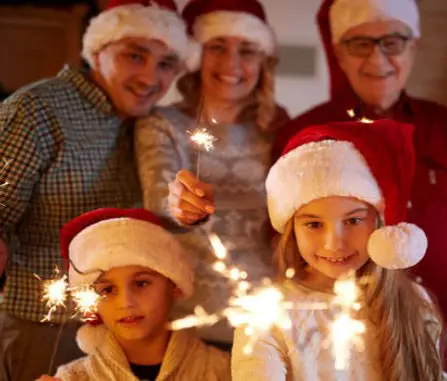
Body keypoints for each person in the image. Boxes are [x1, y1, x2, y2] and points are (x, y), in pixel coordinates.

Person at [0, 0, 190, 378]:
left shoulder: (149, 123)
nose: (151, 77)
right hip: (44, 328)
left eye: (166, 64)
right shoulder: (37, 110)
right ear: (98, 52)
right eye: (135, 56)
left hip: (122, 334)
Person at [273, 0, 447, 336]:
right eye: (360, 44)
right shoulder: (302, 134)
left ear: (413, 47)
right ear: (339, 54)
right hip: (341, 336)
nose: (377, 59)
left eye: (392, 42)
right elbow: (282, 239)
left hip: (442, 332)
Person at [231, 120, 447, 380]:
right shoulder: (266, 315)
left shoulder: (415, 303)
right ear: (292, 229)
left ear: (380, 223)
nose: (334, 243)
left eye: (353, 221)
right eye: (314, 224)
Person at [135, 0, 289, 349]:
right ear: (195, 57)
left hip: (265, 324)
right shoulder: (163, 124)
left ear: (262, 62)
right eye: (217, 47)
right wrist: (180, 204)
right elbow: (158, 196)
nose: (232, 64)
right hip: (188, 323)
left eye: (247, 50)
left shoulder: (277, 129)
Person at [35, 208, 230, 381]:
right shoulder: (74, 378)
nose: (126, 302)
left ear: (174, 284)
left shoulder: (225, 370)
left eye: (141, 283)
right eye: (107, 290)